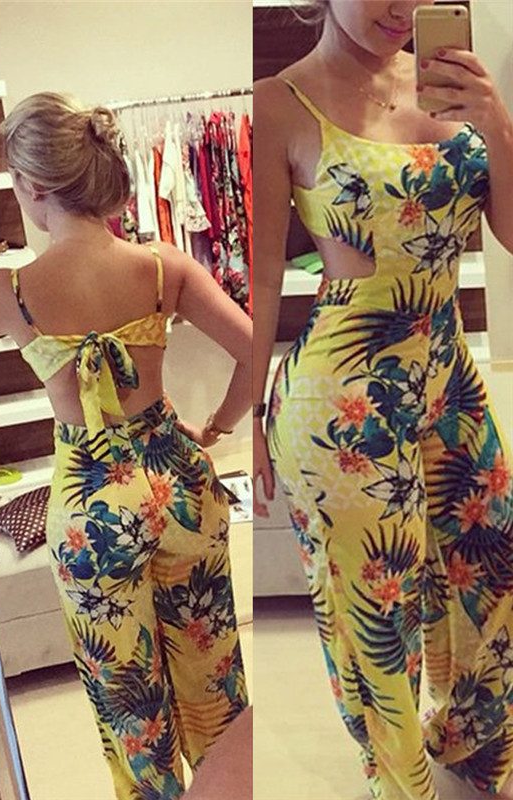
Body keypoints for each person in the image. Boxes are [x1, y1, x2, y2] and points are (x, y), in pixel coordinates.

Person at [253, 1, 513, 799]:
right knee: (379, 615)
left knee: (492, 564)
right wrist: (249, 410)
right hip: (343, 401)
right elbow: (262, 278)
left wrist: (498, 126)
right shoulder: (279, 102)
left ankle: (472, 742)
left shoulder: (454, 84)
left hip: (448, 370)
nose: (401, 8)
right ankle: (402, 784)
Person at [0, 92, 252, 800]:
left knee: (128, 700)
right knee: (215, 680)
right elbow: (256, 352)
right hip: (180, 482)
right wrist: (219, 426)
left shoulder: (9, 291)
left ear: (32, 186)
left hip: (91, 509)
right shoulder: (164, 267)